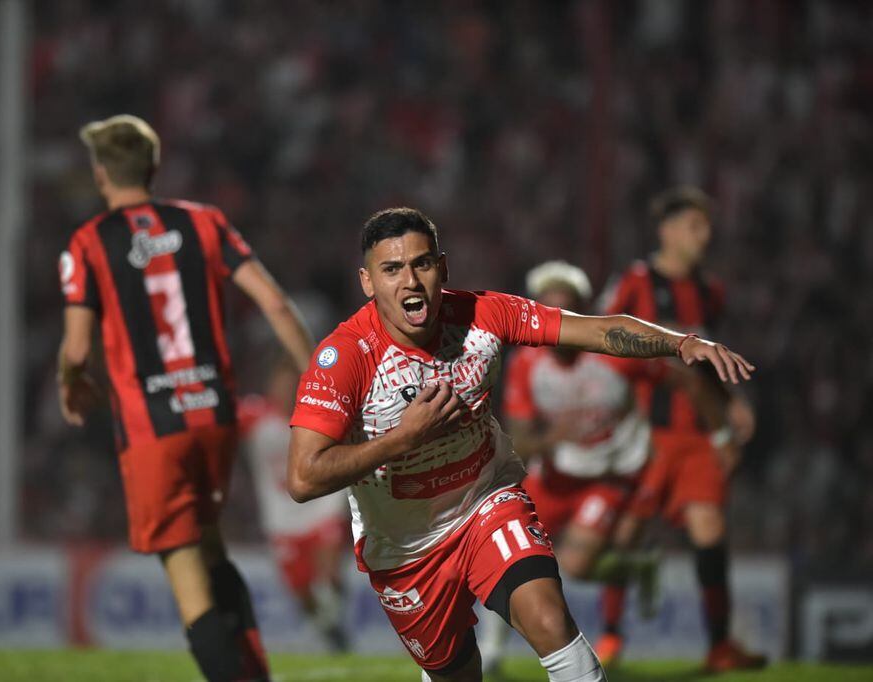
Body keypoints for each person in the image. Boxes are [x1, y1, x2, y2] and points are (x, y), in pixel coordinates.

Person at [287, 208, 754, 682]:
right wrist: (404, 438)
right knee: (458, 673)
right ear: (367, 282)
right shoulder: (345, 357)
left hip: (486, 502)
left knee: (550, 621)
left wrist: (680, 343)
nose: (410, 281)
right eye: (392, 270)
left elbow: (591, 329)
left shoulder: (483, 315)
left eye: (421, 264)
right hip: (406, 549)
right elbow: (304, 477)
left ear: (442, 267)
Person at [56, 114, 314, 682]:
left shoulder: (88, 243)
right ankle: (258, 674)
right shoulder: (204, 223)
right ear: (152, 168)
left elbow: (76, 350)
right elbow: (273, 303)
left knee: (188, 580)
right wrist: (318, 379)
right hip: (215, 415)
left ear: (101, 175)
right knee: (214, 548)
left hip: (153, 429)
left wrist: (68, 384)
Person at [479, 261, 733, 674]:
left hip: (610, 475)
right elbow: (521, 438)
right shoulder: (526, 364)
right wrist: (552, 439)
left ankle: (634, 567)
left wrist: (721, 433)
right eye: (549, 309)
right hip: (557, 474)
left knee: (576, 566)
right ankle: (490, 653)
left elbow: (684, 381)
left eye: (566, 309)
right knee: (504, 548)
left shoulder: (613, 354)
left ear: (579, 312)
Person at [601, 186, 766, 672]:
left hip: (697, 437)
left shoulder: (710, 291)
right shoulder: (633, 282)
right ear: (667, 231)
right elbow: (601, 341)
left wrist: (734, 403)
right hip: (644, 433)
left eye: (707, 227)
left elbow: (710, 364)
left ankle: (719, 645)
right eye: (695, 226)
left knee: (709, 529)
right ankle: (610, 637)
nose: (705, 236)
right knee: (626, 533)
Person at [239, 357, 351, 652]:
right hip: (281, 518)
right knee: (301, 589)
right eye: (281, 383)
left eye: (292, 383)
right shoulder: (255, 416)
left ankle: (334, 602)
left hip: (321, 505)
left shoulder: (318, 412)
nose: (286, 389)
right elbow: (220, 425)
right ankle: (327, 628)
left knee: (328, 572)